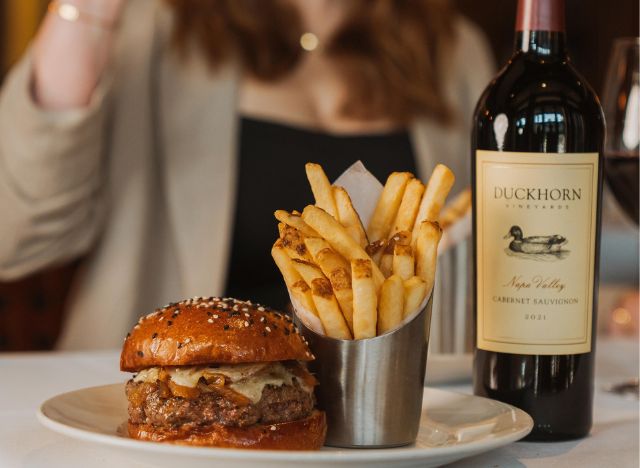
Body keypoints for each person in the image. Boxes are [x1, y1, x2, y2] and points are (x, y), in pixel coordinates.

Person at [0, 0, 494, 349]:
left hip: (388, 420)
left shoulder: (454, 53)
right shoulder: (151, 28)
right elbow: (17, 234)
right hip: (161, 419)